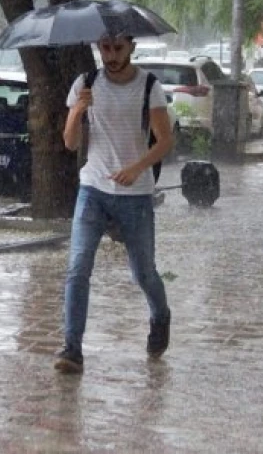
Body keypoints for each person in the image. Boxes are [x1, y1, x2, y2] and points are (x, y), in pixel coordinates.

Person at [54, 32, 175, 375]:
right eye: (105, 48)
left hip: (135, 197)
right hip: (92, 189)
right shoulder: (85, 83)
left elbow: (165, 139)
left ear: (131, 48)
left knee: (144, 272)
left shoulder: (149, 86)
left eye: (118, 48)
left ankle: (160, 315)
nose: (111, 55)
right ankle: (72, 349)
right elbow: (69, 141)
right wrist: (78, 109)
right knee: (78, 269)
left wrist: (137, 169)